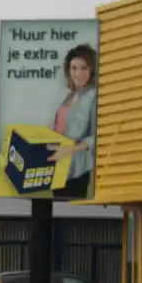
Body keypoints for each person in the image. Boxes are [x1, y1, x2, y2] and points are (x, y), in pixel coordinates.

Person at [46, 43, 98, 200]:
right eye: (74, 68)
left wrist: (69, 150)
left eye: (84, 68)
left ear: (92, 70)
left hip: (77, 169)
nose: (78, 73)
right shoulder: (67, 97)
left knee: (67, 213)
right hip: (57, 166)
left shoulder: (94, 96)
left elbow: (97, 136)